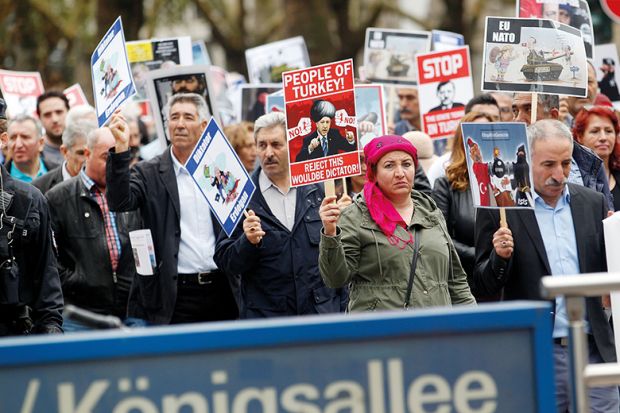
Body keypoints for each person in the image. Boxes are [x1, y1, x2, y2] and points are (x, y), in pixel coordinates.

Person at [474, 119, 618, 412]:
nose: (559, 174)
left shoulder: (592, 203)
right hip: (536, 352)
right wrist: (500, 257)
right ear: (526, 159)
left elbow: (608, 269)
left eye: (565, 163)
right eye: (548, 164)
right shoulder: (501, 208)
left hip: (593, 348)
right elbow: (483, 284)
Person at [106, 93, 238, 325]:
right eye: (174, 117)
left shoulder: (223, 169)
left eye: (188, 117)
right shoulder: (148, 172)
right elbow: (119, 202)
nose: (180, 124)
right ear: (166, 126)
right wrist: (121, 149)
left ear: (204, 125)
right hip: (175, 295)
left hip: (223, 289)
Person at [318, 135, 475, 311]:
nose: (400, 173)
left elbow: (456, 281)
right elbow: (335, 279)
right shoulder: (354, 216)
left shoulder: (431, 211)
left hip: (437, 329)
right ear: (374, 173)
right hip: (385, 334)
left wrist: (475, 323)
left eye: (406, 164)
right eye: (389, 165)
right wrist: (331, 234)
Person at [214, 113, 347, 318]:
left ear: (292, 146)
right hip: (269, 324)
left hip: (319, 316)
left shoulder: (318, 191)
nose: (268, 153)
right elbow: (225, 262)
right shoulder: (240, 196)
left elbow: (339, 261)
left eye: (276, 144)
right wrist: (247, 242)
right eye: (262, 145)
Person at [46, 126, 142, 331]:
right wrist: (79, 281)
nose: (114, 164)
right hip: (81, 314)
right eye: (107, 157)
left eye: (119, 157)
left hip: (132, 309)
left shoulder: (133, 192)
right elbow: (50, 260)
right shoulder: (58, 197)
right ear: (87, 154)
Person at [0, 98, 63, 336]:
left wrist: (51, 329)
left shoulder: (29, 200)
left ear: (2, 140)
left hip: (15, 336)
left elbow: (46, 275)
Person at [512, 92, 614, 210]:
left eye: (529, 109)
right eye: (515, 111)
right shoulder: (508, 163)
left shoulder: (590, 161)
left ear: (553, 116)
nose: (518, 119)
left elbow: (605, 216)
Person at [432, 112, 495, 299]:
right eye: (477, 134)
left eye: (488, 133)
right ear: (464, 142)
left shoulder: (507, 183)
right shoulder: (446, 185)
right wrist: (484, 255)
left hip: (505, 279)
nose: (483, 140)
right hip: (466, 284)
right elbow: (441, 237)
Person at [427, 94, 501, 188]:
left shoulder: (506, 163)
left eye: (495, 118)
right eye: (480, 117)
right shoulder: (442, 167)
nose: (489, 123)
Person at [572, 106, 620, 211]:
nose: (603, 137)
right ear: (580, 137)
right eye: (595, 131)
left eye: (608, 131)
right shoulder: (574, 178)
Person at [32, 118, 96, 195]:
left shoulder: (107, 182)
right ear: (65, 151)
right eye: (81, 153)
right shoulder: (39, 188)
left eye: (93, 153)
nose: (87, 159)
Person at [5, 115, 52, 183]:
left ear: (41, 143)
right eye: (13, 138)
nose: (18, 145)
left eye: (25, 137)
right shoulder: (2, 178)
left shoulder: (59, 173)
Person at [36, 91, 70, 169]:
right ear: (39, 118)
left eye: (59, 112)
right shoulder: (34, 153)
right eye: (47, 115)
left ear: (68, 112)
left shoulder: (86, 145)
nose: (55, 119)